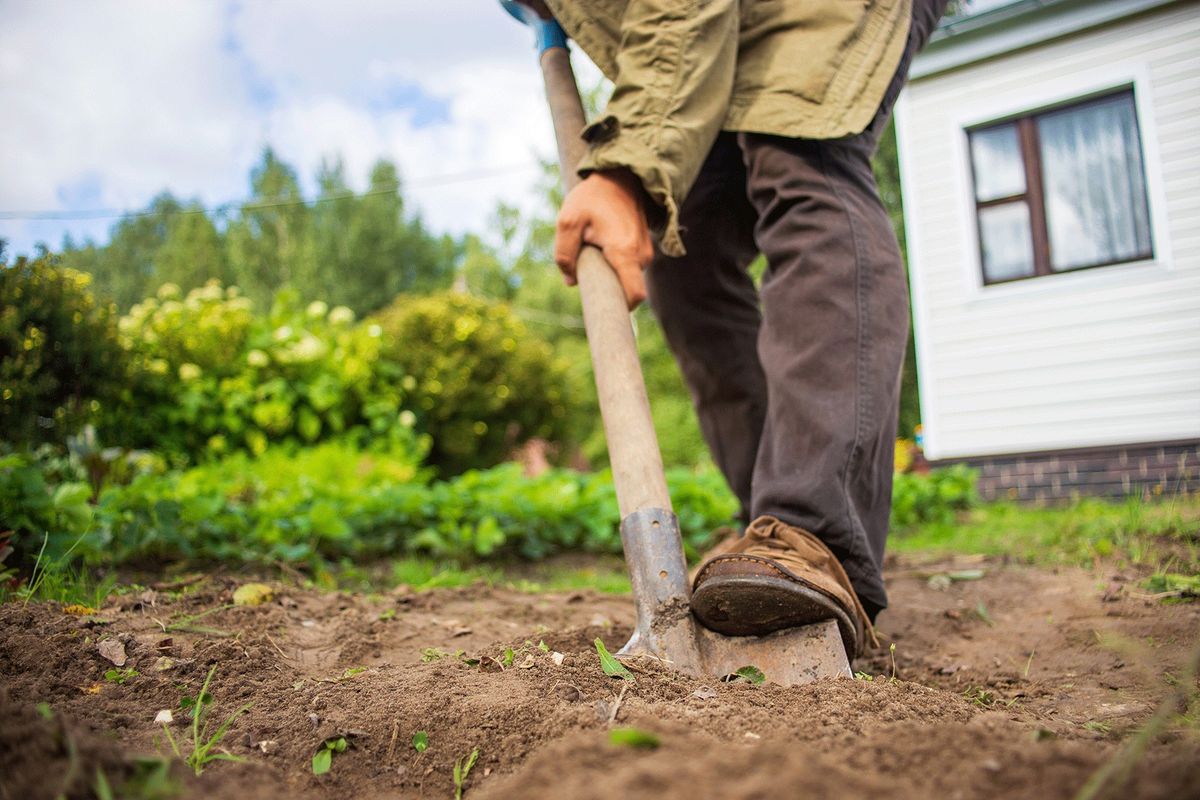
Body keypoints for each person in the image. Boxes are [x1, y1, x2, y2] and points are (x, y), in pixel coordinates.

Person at [526, 0, 948, 658]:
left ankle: (816, 532)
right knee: (681, 247)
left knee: (802, 158)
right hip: (722, 29)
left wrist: (623, 169)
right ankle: (775, 531)